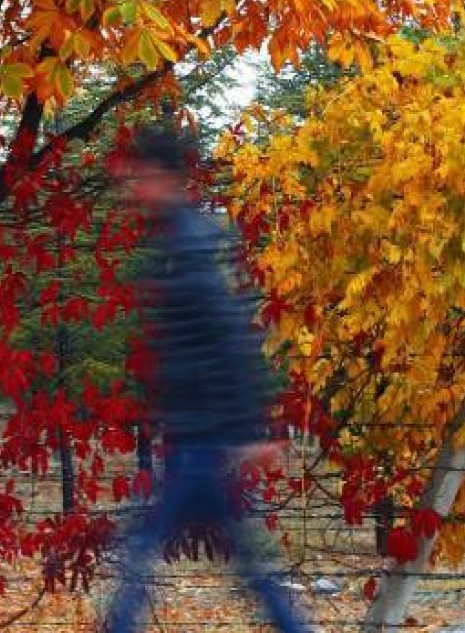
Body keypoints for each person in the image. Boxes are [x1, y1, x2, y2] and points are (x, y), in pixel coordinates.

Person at [101, 122, 312, 633]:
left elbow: (229, 338)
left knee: (143, 547)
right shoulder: (178, 240)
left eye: (142, 176)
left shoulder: (188, 249)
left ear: (168, 179)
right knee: (241, 563)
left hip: (201, 437)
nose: (133, 187)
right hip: (194, 434)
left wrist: (248, 430)